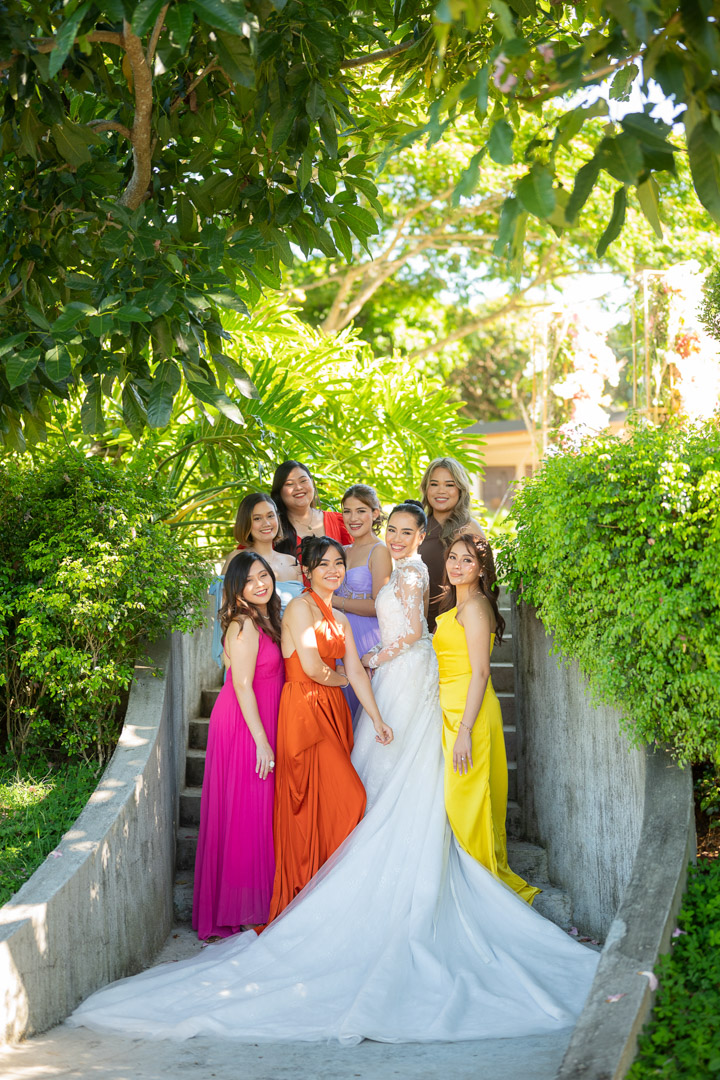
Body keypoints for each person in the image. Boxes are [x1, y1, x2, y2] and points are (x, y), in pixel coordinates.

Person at [68, 501, 598, 1043]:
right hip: (327, 700)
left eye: (404, 531)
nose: (394, 538)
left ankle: (350, 864)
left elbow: (405, 641)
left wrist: (372, 682)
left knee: (376, 783)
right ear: (309, 569)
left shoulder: (404, 582)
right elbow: (314, 663)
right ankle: (314, 876)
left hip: (396, 676)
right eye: (390, 530)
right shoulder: (307, 610)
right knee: (354, 786)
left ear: (422, 537)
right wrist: (359, 676)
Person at [267, 535, 392, 923]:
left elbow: (355, 669)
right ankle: (313, 892)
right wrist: (341, 680)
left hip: (333, 710)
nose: (334, 570)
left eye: (339, 563)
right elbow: (312, 668)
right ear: (307, 570)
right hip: (305, 709)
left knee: (329, 804)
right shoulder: (299, 608)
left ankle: (332, 901)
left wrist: (376, 717)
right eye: (324, 564)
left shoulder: (340, 617)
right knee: (348, 798)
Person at [433, 533, 539, 904]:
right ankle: (470, 883)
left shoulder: (476, 607)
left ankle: (483, 889)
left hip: (471, 713)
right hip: (452, 709)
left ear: (481, 569)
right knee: (460, 799)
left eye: (467, 560)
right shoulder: (459, 604)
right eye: (453, 557)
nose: (457, 566)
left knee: (468, 801)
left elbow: (480, 672)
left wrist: (465, 731)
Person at [192, 552, 284, 939]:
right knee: (248, 812)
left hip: (258, 718)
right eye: (249, 580)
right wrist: (261, 741)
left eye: (263, 575)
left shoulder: (267, 618)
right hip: (245, 724)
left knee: (253, 812)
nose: (260, 584)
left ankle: (247, 902)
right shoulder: (243, 623)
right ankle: (243, 908)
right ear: (236, 588)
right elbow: (242, 685)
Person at [210, 493, 303, 669]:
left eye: (270, 516)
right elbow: (226, 615)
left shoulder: (292, 562)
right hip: (253, 658)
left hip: (293, 654)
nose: (266, 523)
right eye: (257, 518)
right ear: (246, 523)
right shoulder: (237, 559)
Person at [333, 484, 391, 725]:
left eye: (360, 511)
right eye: (347, 511)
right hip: (338, 639)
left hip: (366, 638)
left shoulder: (380, 550)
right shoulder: (341, 550)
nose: (353, 518)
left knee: (362, 715)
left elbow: (379, 605)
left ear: (375, 513)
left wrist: (335, 601)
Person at [417, 457, 486, 633]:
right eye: (434, 484)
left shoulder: (469, 528)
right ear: (426, 488)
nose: (441, 491)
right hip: (418, 626)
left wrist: (454, 620)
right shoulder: (417, 527)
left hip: (456, 625)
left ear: (460, 490)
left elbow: (483, 580)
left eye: (449, 485)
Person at [271, 460, 352, 562]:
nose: (298, 487)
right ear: (279, 491)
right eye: (289, 484)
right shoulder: (273, 529)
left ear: (312, 483)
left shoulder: (339, 521)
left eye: (303, 481)